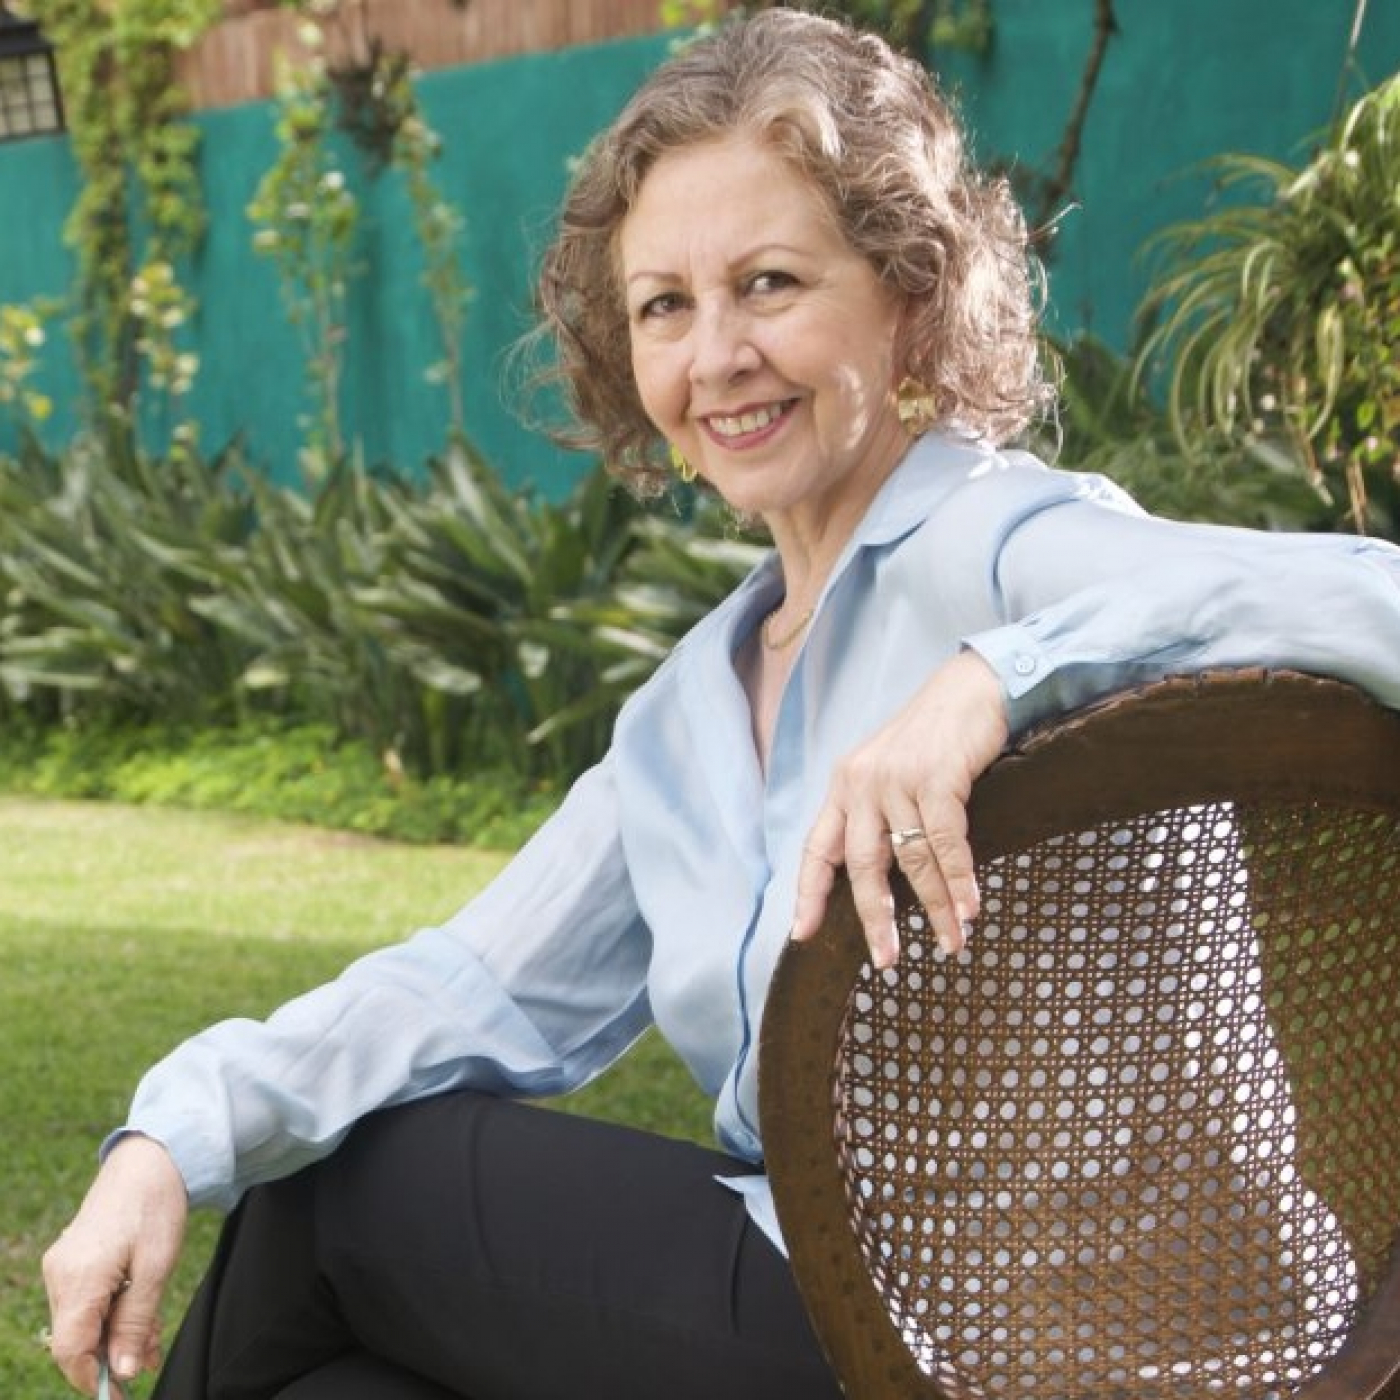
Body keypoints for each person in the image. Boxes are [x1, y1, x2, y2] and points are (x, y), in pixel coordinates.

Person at [41, 9, 1400, 1400]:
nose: (717, 355)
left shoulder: (1003, 546)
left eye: (769, 284)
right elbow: (464, 987)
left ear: (910, 292)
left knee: (345, 1199)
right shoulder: (688, 714)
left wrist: (997, 677)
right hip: (834, 1311)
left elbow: (1379, 602)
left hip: (1079, 1352)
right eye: (665, 307)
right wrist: (169, 1138)